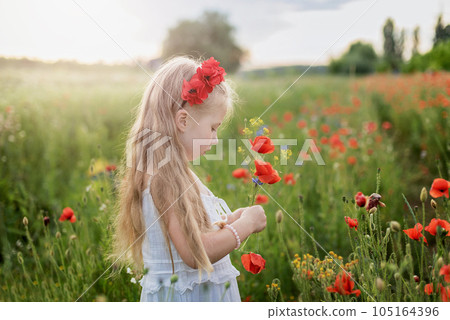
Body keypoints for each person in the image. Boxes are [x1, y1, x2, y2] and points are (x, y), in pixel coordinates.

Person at [111, 56, 267, 302]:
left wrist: (227, 220)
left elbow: (192, 230)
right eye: (213, 128)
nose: (215, 139)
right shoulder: (164, 179)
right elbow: (195, 254)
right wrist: (245, 226)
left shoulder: (176, 173)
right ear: (183, 120)